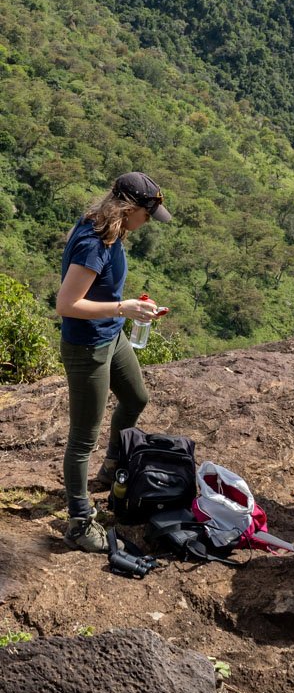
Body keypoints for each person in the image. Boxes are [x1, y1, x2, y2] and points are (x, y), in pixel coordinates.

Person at [55, 172, 171, 552]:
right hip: (87, 346)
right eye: (148, 215)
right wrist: (125, 307)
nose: (148, 223)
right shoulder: (92, 242)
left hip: (111, 334)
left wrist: (135, 311)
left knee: (136, 399)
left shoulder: (109, 230)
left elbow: (104, 289)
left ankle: (111, 466)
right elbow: (67, 304)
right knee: (82, 438)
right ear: (131, 208)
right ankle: (78, 522)